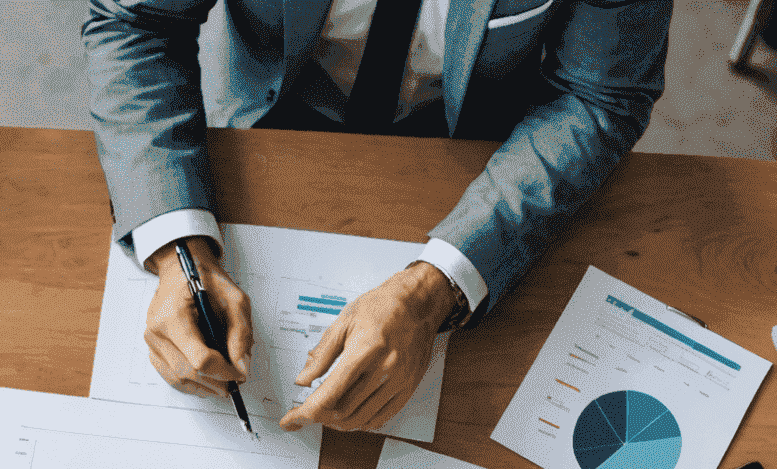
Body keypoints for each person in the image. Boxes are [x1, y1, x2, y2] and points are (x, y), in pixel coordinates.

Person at [83, 0, 673, 435]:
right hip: (276, 115)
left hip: (480, 148)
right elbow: (136, 23)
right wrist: (175, 244)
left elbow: (600, 97)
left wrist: (434, 287)